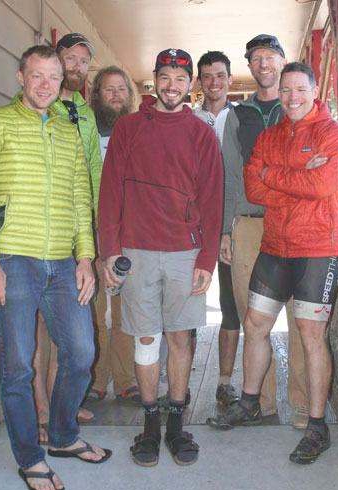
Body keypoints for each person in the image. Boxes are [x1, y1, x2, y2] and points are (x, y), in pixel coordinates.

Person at [0, 45, 110, 490]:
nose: (47, 85)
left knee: (81, 353)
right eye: (37, 76)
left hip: (64, 263)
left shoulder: (69, 132)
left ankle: (63, 436)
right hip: (13, 260)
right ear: (20, 77)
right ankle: (31, 457)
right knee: (16, 368)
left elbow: (80, 200)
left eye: (53, 77)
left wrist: (85, 257)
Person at [207, 61, 338, 464]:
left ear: (315, 90)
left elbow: (323, 185)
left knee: (310, 335)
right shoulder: (269, 137)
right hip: (275, 246)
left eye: (300, 90)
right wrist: (294, 176)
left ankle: (317, 426)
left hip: (317, 248)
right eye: (286, 90)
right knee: (255, 324)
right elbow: (253, 186)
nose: (292, 97)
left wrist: (276, 176)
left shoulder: (334, 134)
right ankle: (251, 401)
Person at [98, 48, 223, 466]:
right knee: (147, 337)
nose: (172, 85)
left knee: (179, 337)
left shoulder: (202, 133)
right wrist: (109, 251)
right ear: (154, 81)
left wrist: (206, 259)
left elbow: (212, 199)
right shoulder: (129, 128)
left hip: (185, 252)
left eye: (180, 78)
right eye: (165, 77)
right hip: (136, 250)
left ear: (191, 84)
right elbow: (111, 191)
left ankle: (175, 422)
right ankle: (150, 424)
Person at [207, 34, 309, 427]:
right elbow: (231, 176)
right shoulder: (239, 115)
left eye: (270, 57)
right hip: (248, 226)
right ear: (250, 67)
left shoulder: (299, 110)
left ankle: (301, 403)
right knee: (255, 319)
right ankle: (262, 403)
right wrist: (225, 231)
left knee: (302, 320)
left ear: (284, 62)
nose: (263, 63)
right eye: (256, 58)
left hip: (296, 222)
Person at [32, 33, 103, 439]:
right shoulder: (41, 107)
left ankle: (64, 402)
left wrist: (95, 223)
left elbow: (93, 169)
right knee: (43, 322)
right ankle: (42, 407)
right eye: (69, 59)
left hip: (81, 226)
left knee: (69, 318)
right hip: (47, 228)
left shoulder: (84, 111)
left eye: (82, 62)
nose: (75, 67)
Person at [88, 65, 140, 403]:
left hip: (129, 231)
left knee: (125, 309)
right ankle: (96, 377)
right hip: (90, 228)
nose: (117, 94)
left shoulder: (138, 131)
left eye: (122, 88)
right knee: (93, 309)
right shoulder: (85, 130)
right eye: (110, 89)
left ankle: (125, 379)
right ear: (97, 95)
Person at [194, 50, 241, 407]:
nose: (214, 82)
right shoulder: (187, 120)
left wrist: (228, 228)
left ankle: (224, 381)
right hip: (191, 230)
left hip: (230, 228)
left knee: (229, 305)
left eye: (220, 75)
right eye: (207, 76)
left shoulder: (242, 119)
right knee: (185, 307)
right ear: (199, 81)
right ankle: (179, 383)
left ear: (229, 78)